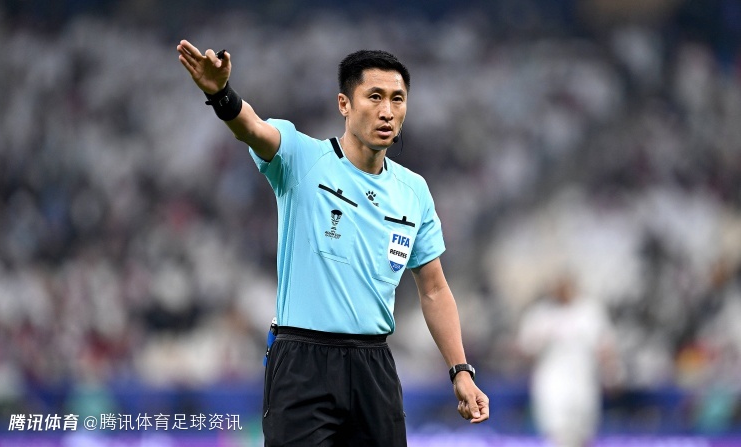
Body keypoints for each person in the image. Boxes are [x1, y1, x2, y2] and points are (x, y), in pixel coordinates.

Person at [176, 40, 489, 445]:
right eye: (374, 97)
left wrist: (460, 370)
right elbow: (251, 127)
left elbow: (434, 289)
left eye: (397, 99)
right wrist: (221, 94)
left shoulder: (414, 191)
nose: (387, 111)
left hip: (374, 366)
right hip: (303, 361)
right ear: (344, 104)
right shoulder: (302, 158)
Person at [516, 273, 622, 447]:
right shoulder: (540, 314)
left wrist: (612, 373)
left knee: (583, 433)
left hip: (583, 383)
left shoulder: (589, 311)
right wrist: (540, 341)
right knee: (555, 432)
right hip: (552, 384)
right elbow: (524, 349)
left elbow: (605, 346)